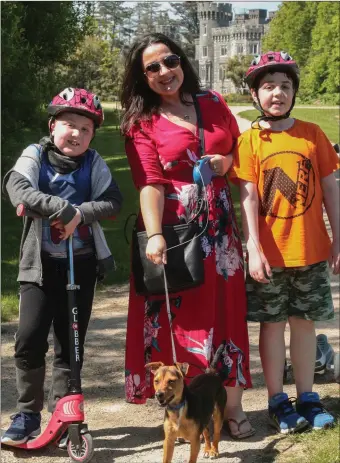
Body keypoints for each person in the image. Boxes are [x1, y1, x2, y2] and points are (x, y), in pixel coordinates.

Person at [120, 33, 254, 439]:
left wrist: (227, 160)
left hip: (220, 231)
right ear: (142, 77)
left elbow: (241, 149)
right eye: (153, 67)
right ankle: (185, 410)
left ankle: (232, 407)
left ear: (183, 62)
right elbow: (150, 183)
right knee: (183, 319)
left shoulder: (212, 103)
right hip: (177, 232)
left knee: (227, 315)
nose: (165, 71)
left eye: (170, 61)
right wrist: (155, 234)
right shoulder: (140, 122)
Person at [1, 87, 123, 446]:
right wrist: (60, 208)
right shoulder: (35, 155)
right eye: (70, 125)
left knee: (71, 344)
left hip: (80, 266)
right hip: (38, 267)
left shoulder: (94, 162)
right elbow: (15, 186)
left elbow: (112, 200)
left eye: (85, 129)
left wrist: (80, 214)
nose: (77, 134)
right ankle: (26, 414)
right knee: (29, 338)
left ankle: (65, 410)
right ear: (53, 126)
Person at [231, 51, 339, 434]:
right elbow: (247, 197)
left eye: (285, 86)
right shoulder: (250, 142)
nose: (277, 93)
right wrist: (253, 247)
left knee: (305, 323)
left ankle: (308, 396)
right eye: (268, 86)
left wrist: (338, 238)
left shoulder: (311, 134)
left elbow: (330, 188)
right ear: (254, 94)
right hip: (270, 254)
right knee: (273, 325)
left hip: (309, 248)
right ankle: (278, 398)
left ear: (294, 92)